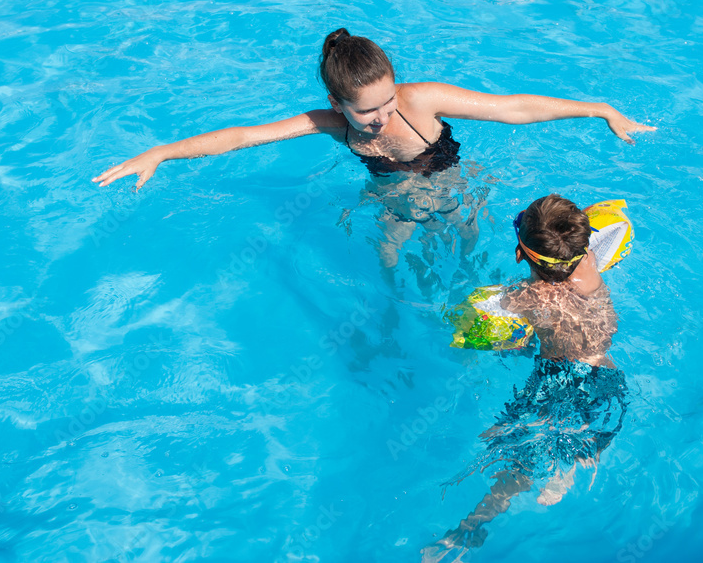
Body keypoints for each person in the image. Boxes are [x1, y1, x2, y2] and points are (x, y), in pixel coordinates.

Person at [92, 29, 654, 281]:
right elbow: (243, 136)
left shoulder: (423, 101)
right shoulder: (330, 123)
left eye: (388, 101)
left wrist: (597, 108)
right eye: (367, 112)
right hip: (391, 195)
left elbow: (513, 109)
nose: (382, 116)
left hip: (449, 178)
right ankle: (392, 314)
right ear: (337, 103)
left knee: (468, 239)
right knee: (388, 261)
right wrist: (161, 153)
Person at [424, 194, 628, 558]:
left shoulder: (528, 298)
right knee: (588, 434)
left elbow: (473, 328)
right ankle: (573, 469)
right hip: (608, 372)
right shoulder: (590, 262)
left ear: (522, 253)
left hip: (560, 381)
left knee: (514, 469)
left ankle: (466, 532)